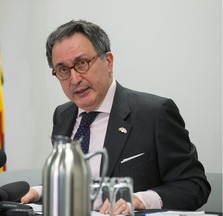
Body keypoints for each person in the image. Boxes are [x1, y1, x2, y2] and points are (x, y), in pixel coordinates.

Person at [21, 19, 211, 214]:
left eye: (82, 63)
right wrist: (40, 192)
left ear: (108, 61)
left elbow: (194, 186)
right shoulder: (63, 115)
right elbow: (82, 187)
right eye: (63, 70)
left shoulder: (154, 113)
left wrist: (139, 199)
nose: (75, 79)